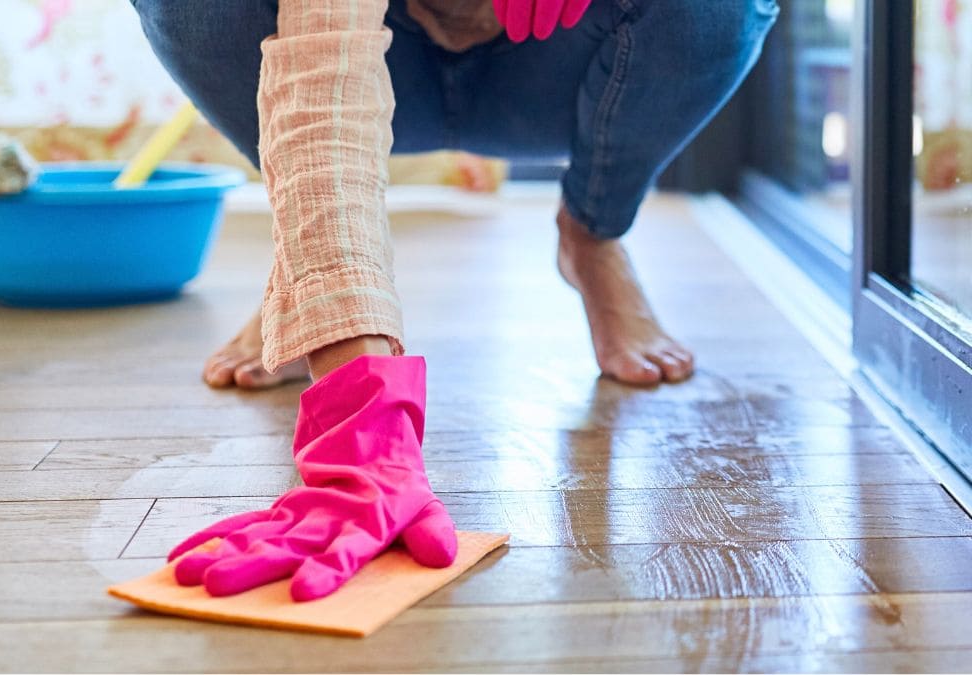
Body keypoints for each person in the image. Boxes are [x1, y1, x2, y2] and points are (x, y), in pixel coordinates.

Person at [133, 0, 779, 601]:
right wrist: (357, 401)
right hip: (396, 59)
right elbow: (322, 48)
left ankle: (592, 232)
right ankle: (302, 282)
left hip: (563, 57)